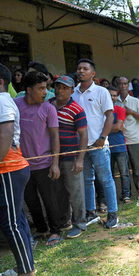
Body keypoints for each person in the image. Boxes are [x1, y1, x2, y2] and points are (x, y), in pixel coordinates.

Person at [0, 63, 36, 276]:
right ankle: (24, 266)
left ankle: (27, 275)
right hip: (7, 169)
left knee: (11, 222)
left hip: (6, 170)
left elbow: (5, 132)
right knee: (16, 220)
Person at [15, 71, 62, 246]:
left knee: (49, 199)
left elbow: (55, 137)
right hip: (21, 164)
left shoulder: (48, 108)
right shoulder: (15, 105)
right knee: (31, 200)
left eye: (46, 87)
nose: (45, 92)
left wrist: (55, 163)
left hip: (44, 163)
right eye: (41, 88)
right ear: (28, 90)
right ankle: (42, 229)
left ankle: (55, 231)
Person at [72, 58, 119, 229]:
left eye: (85, 68)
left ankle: (113, 214)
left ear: (93, 73)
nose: (81, 71)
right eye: (79, 68)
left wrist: (102, 137)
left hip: (98, 144)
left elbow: (110, 116)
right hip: (81, 146)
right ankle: (91, 213)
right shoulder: (73, 93)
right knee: (86, 180)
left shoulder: (101, 92)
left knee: (106, 179)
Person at [50, 75, 88, 239]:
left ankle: (80, 223)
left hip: (71, 156)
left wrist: (80, 159)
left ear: (72, 90)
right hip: (53, 157)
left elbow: (84, 136)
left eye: (64, 87)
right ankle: (65, 222)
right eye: (58, 86)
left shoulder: (77, 110)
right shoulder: (49, 104)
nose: (59, 90)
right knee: (59, 192)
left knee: (75, 192)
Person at [116, 77, 139, 201]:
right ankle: (126, 194)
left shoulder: (135, 101)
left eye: (125, 84)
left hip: (133, 139)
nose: (123, 86)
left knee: (137, 166)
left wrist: (131, 112)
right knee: (123, 170)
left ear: (128, 86)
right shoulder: (114, 101)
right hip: (119, 140)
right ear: (117, 85)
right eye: (121, 84)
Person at [106, 86, 131, 204]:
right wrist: (114, 128)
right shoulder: (101, 110)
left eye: (115, 95)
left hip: (120, 146)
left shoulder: (120, 109)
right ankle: (111, 198)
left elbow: (118, 127)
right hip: (105, 147)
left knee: (124, 173)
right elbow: (115, 127)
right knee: (108, 175)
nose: (112, 97)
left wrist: (103, 129)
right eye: (110, 95)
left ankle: (126, 195)